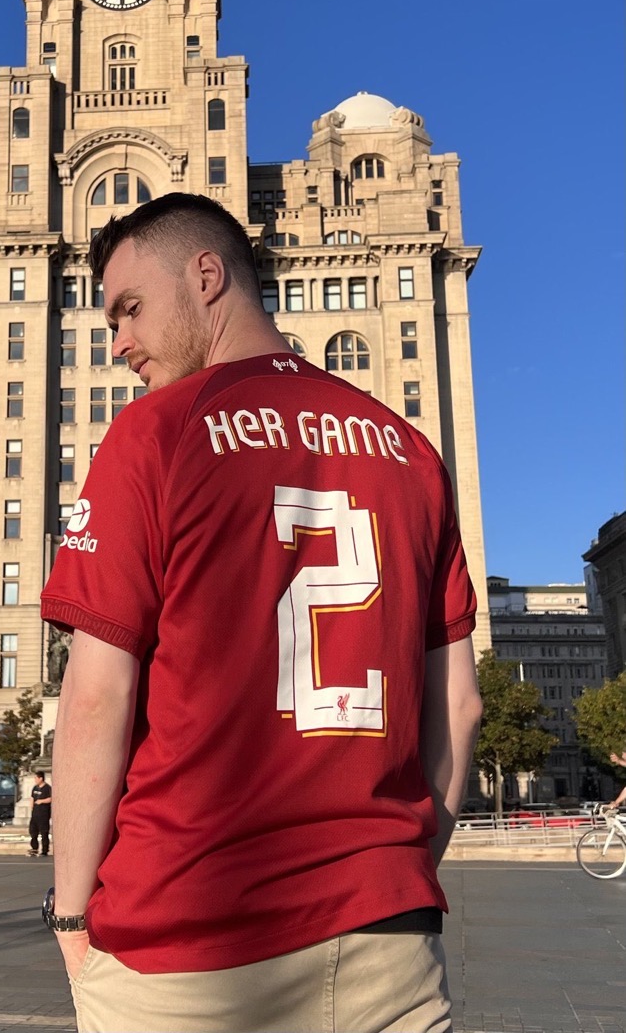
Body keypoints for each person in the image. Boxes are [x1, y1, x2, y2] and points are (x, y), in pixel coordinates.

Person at [40, 193, 483, 1033]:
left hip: (188, 940)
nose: (118, 341)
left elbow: (96, 697)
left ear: (206, 276)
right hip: (390, 943)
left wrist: (69, 916)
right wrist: (394, 872)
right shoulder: (411, 453)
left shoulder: (156, 432)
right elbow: (459, 706)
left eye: (129, 308)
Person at [29, 771, 52, 857]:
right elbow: (32, 797)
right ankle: (34, 848)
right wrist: (31, 806)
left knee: (44, 832)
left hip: (44, 814)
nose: (35, 780)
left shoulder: (47, 788)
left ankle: (45, 850)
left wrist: (41, 801)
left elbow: (51, 798)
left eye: (36, 778)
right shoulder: (35, 788)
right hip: (35, 813)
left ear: (41, 778)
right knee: (33, 832)